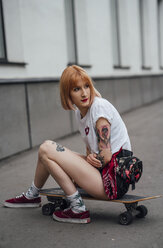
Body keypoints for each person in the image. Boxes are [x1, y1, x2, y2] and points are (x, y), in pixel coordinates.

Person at [4, 65, 132, 224]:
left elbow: (105, 156)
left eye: (86, 86)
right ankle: (32, 196)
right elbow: (91, 151)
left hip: (113, 181)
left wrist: (92, 159)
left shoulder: (99, 107)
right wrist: (90, 158)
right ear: (68, 94)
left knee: (46, 148)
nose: (84, 93)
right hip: (103, 173)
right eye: (77, 89)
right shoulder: (80, 113)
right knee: (46, 152)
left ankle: (78, 209)